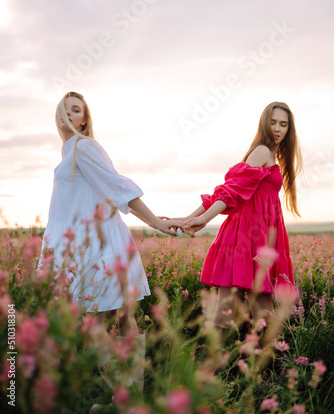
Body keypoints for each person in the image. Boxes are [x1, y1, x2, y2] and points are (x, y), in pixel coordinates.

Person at [38, 91, 184, 336]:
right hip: (79, 241)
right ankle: (111, 372)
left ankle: (130, 374)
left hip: (97, 242)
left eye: (76, 110)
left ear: (84, 121)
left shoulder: (83, 147)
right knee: (100, 318)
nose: (69, 113)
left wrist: (155, 222)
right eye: (65, 108)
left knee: (115, 315)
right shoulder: (69, 151)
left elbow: (117, 187)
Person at [182, 102, 303, 332]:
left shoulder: (272, 155)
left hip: (259, 238)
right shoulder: (262, 151)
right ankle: (212, 363)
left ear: (289, 129)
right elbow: (231, 190)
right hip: (244, 238)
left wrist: (193, 216)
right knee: (230, 314)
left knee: (259, 316)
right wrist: (203, 218)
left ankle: (250, 365)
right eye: (273, 122)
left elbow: (225, 189)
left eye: (283, 124)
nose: (277, 128)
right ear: (264, 123)